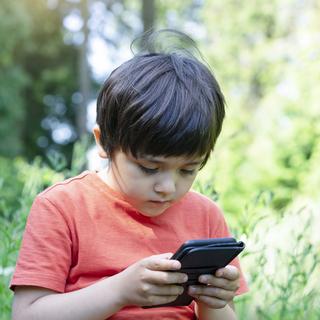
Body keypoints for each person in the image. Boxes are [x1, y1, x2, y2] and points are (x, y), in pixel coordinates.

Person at [11, 30, 248, 320]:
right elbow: (27, 315)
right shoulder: (62, 207)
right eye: (149, 168)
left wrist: (213, 300)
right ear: (103, 143)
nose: (167, 187)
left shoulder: (206, 215)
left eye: (188, 169)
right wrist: (120, 291)